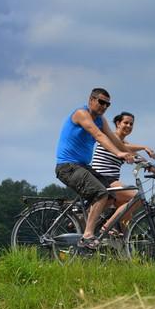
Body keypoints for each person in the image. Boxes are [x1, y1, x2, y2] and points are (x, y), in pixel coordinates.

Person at [55, 88, 134, 249]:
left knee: (111, 195)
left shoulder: (101, 119)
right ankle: (88, 235)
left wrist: (138, 159)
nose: (104, 106)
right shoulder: (81, 113)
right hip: (68, 166)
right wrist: (118, 153)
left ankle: (83, 221)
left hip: (83, 167)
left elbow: (114, 139)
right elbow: (99, 135)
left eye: (107, 104)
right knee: (101, 193)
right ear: (91, 100)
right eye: (101, 102)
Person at [91, 111, 155, 235]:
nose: (129, 126)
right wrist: (144, 147)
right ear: (118, 123)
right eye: (126, 123)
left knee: (127, 211)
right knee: (136, 198)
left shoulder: (124, 145)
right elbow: (122, 146)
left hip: (111, 180)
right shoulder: (110, 136)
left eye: (131, 124)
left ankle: (122, 238)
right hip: (102, 178)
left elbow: (136, 156)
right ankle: (107, 228)